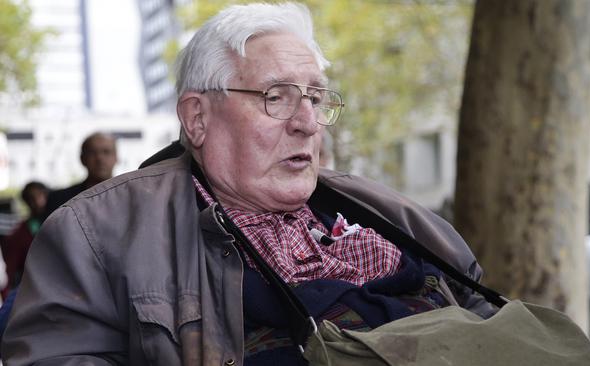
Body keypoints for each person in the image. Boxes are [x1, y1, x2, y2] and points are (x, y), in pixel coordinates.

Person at [2, 3, 496, 365]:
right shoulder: (96, 231)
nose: (309, 122)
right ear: (197, 117)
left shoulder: (381, 208)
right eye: (276, 97)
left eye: (317, 98)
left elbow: (482, 306)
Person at [43, 132, 117, 218]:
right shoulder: (59, 200)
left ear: (116, 157)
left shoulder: (129, 197)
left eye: (106, 152)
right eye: (92, 152)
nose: (99, 158)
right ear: (82, 159)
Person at [0, 181, 48, 299]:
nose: (38, 202)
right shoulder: (19, 234)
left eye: (41, 195)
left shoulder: (61, 222)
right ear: (26, 201)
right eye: (32, 198)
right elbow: (9, 273)